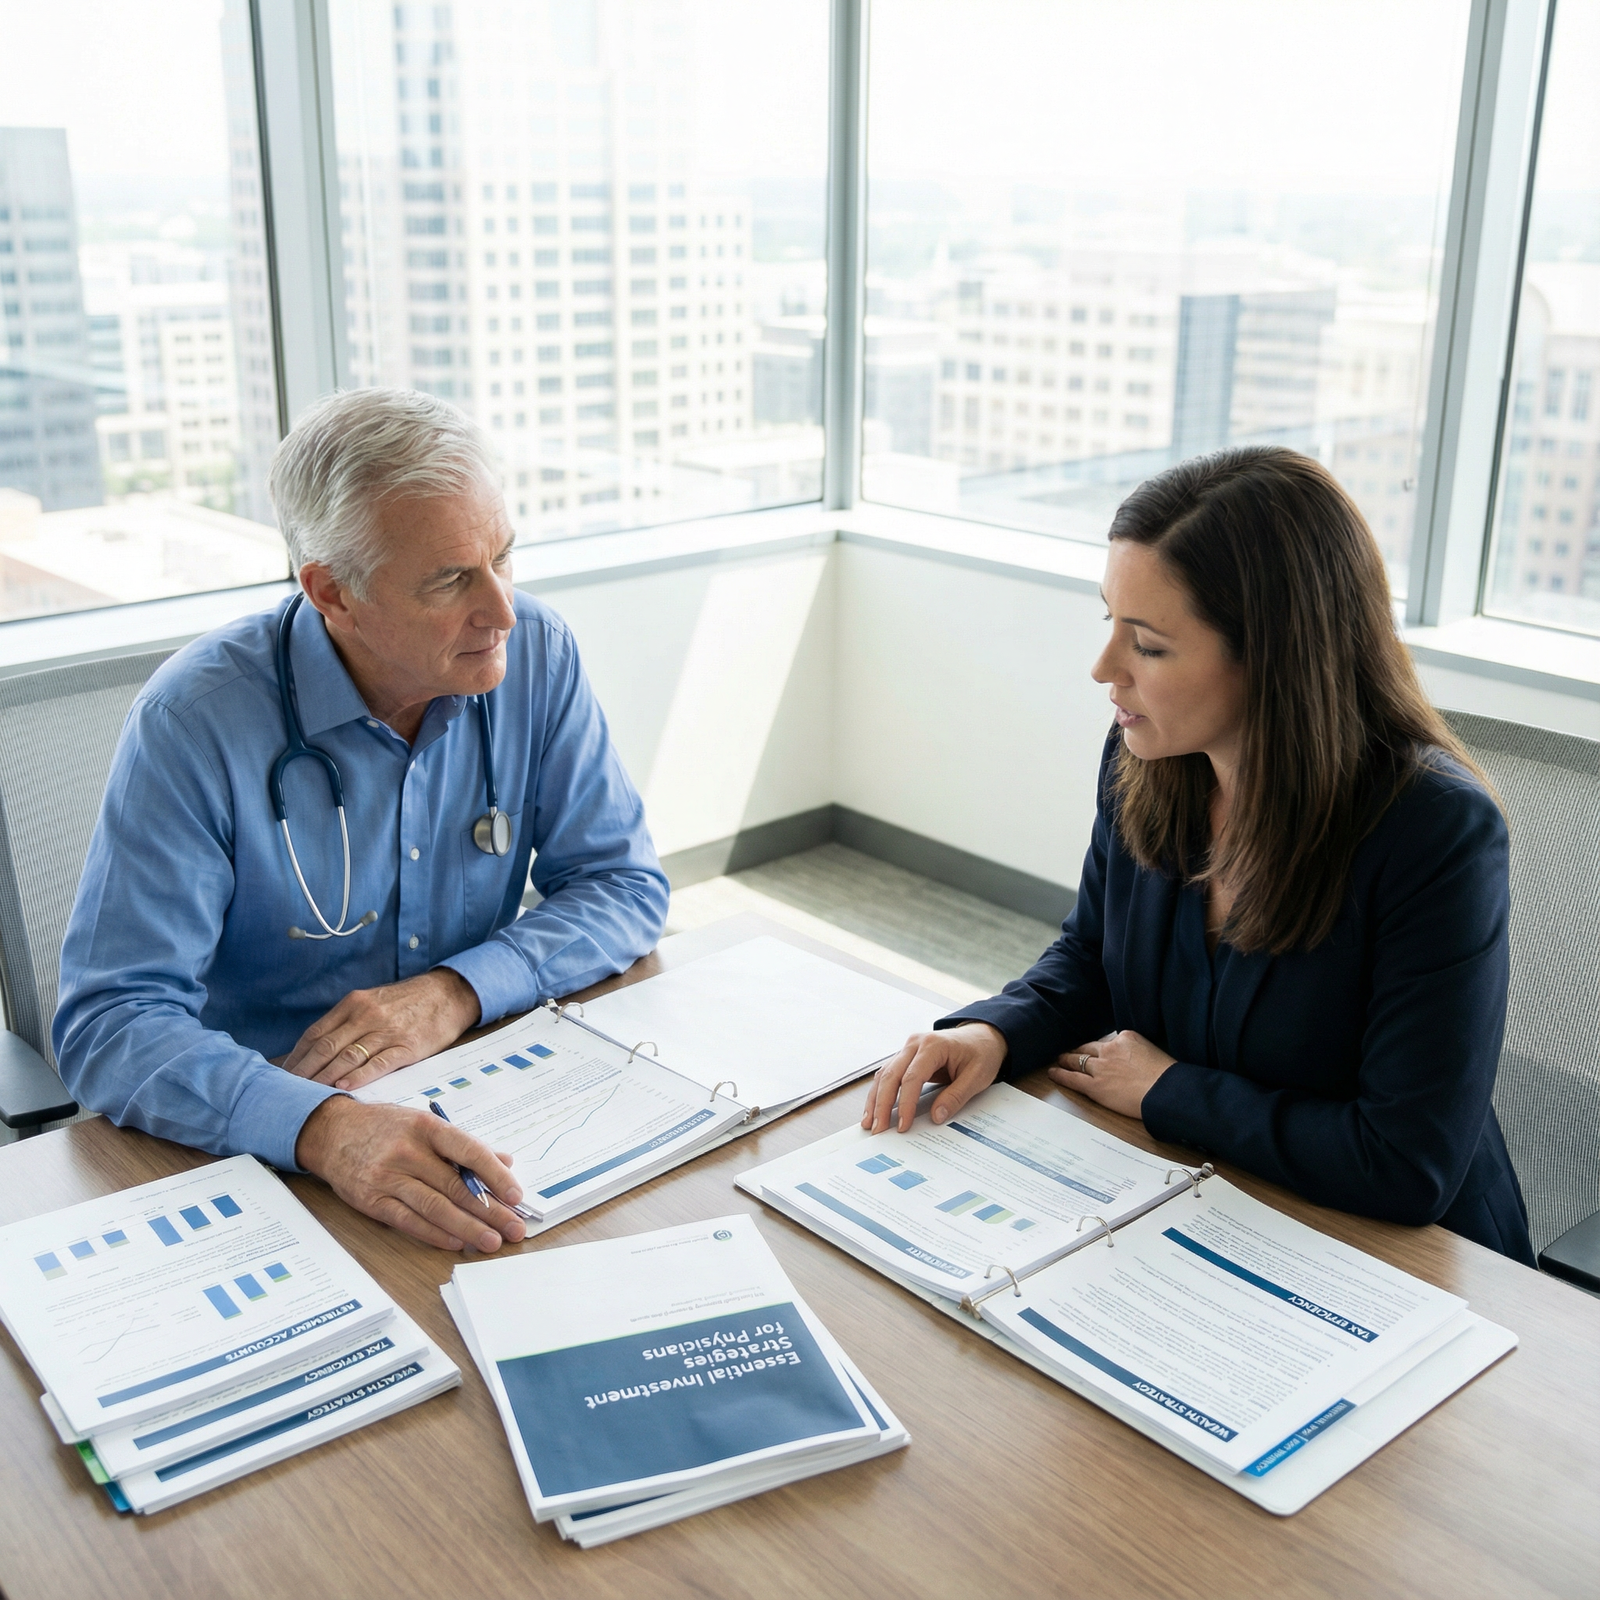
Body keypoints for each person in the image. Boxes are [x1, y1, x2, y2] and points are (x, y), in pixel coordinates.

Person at [862, 445, 1535, 1265]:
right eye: (1109, 623)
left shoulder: (1434, 831)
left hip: (1403, 1260)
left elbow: (1404, 1161)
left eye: (1147, 645)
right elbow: (1091, 956)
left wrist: (1165, 1090)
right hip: (1206, 1199)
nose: (1104, 670)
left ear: (1275, 658)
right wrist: (993, 1033)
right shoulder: (1146, 760)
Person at [54, 388, 669, 1254]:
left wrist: (455, 992)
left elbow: (623, 884)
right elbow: (111, 1022)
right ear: (332, 592)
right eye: (451, 579)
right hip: (256, 1147)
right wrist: (324, 1128)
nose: (501, 610)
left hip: (483, 1099)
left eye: (503, 557)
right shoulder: (195, 722)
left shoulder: (537, 652)